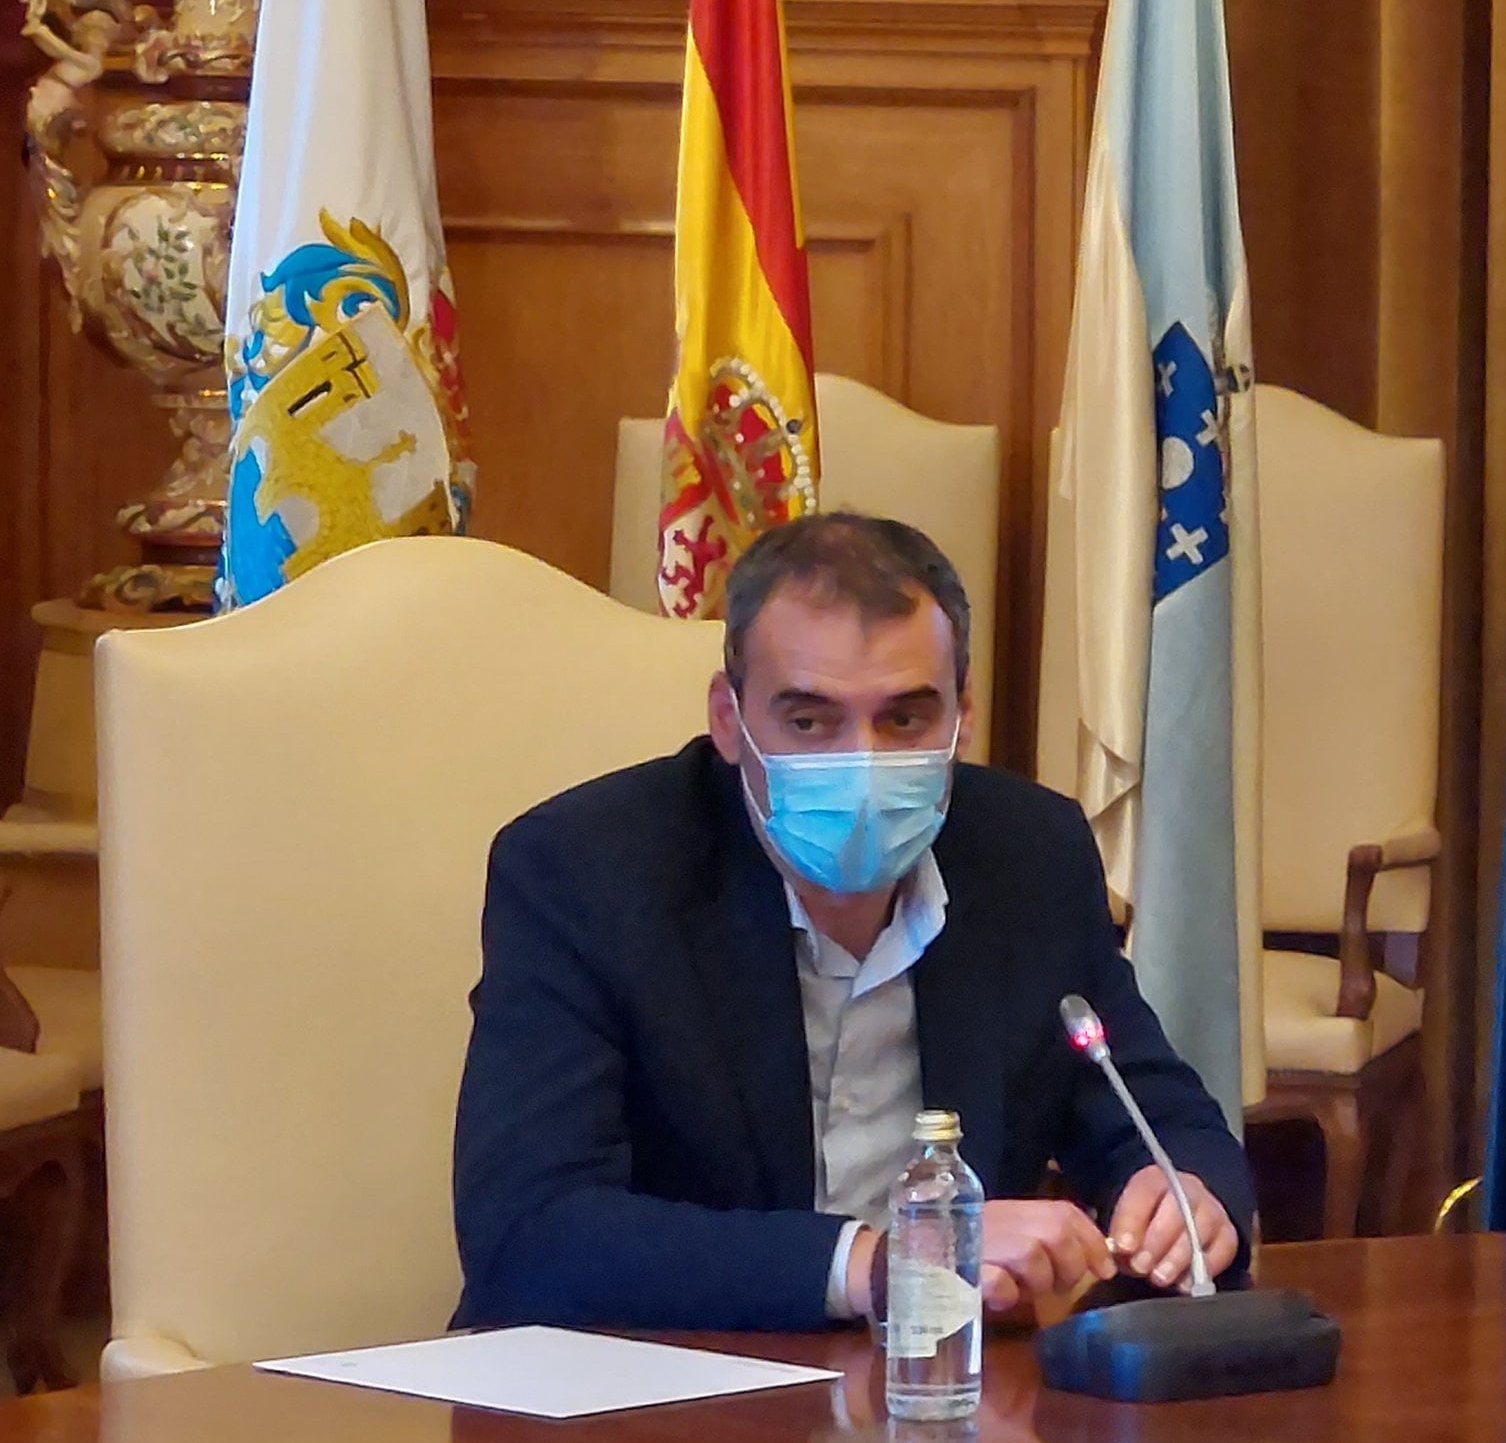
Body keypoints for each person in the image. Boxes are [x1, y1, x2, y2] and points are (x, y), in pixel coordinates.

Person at [452, 512, 1250, 1333]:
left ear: (961, 715)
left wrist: (1184, 1188)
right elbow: (529, 1231)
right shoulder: (583, 872)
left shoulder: (1028, 858)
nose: (861, 761)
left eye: (904, 719)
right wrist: (880, 1262)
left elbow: (1148, 1104)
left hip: (930, 1401)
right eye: (809, 721)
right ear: (729, 719)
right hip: (631, 1405)